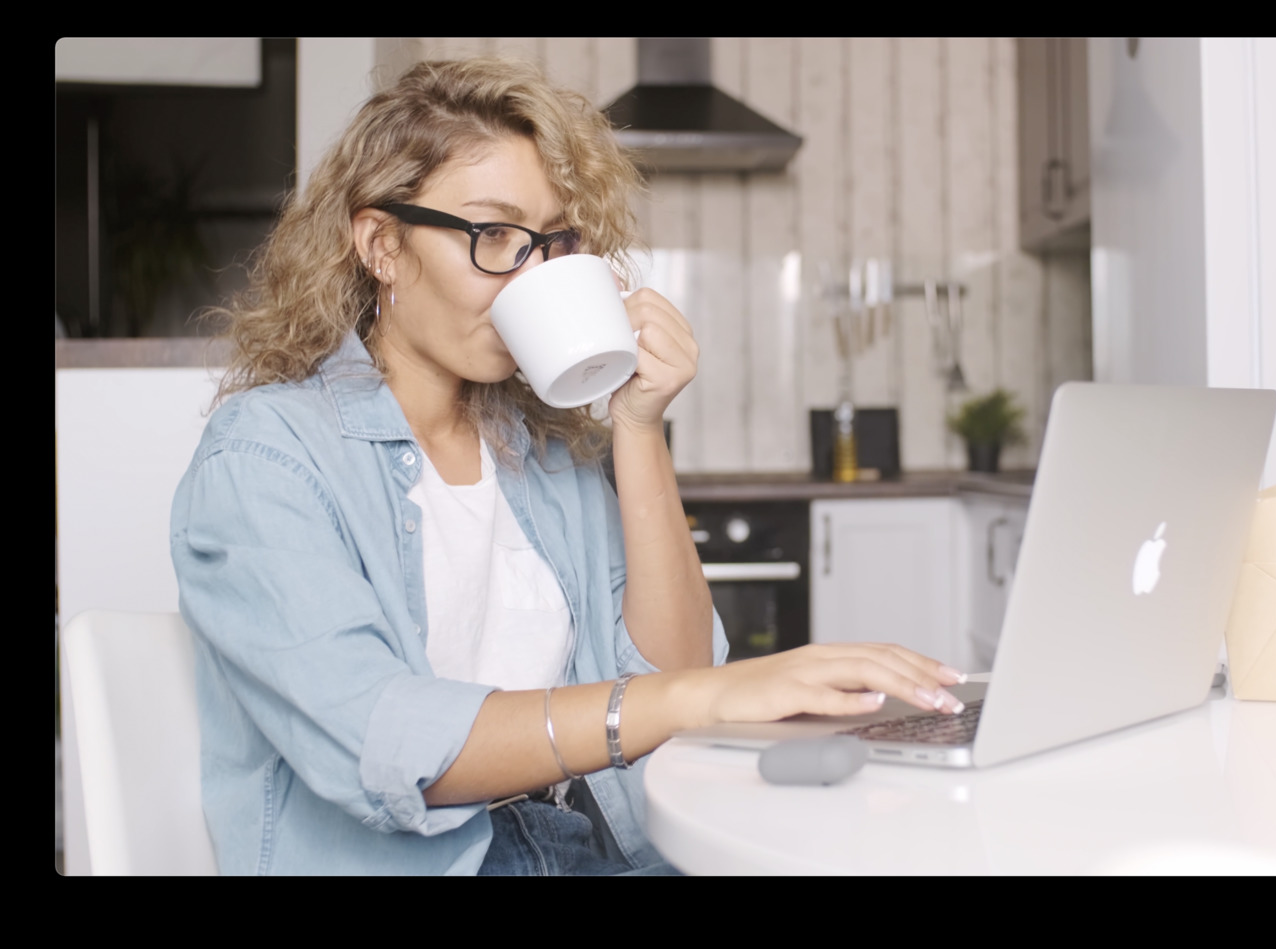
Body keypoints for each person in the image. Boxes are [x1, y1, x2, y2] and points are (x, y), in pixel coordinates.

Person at [170, 56, 967, 876]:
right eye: (495, 237)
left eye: (552, 242)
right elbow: (384, 739)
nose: (534, 273)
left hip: (593, 839)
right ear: (382, 245)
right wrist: (703, 696)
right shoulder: (267, 457)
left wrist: (638, 424)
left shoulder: (540, 453)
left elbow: (680, 672)